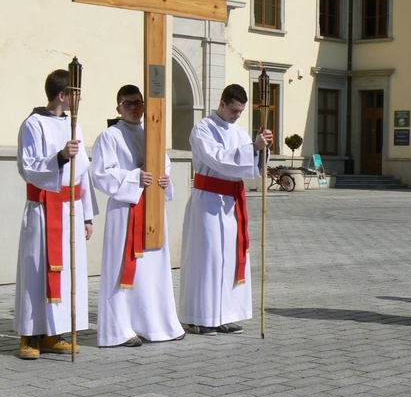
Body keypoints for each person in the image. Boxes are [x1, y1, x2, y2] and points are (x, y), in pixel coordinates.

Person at [91, 84, 185, 347]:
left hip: (152, 209)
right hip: (125, 211)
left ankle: (156, 324)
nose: (134, 108)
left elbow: (162, 167)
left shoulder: (151, 133)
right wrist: (134, 177)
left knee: (153, 268)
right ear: (118, 107)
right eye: (128, 104)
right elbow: (100, 174)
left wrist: (165, 183)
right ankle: (118, 330)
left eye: (138, 103)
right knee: (122, 267)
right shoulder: (110, 136)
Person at [15, 69, 98, 360]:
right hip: (42, 208)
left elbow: (83, 173)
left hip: (70, 210)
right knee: (37, 269)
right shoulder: (33, 124)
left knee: (67, 274)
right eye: (76, 93)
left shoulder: (75, 125)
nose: (80, 99)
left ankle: (54, 332)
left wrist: (87, 214)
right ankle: (29, 334)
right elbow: (28, 167)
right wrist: (60, 157)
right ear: (63, 95)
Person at [179, 84, 273, 335]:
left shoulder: (240, 132)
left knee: (229, 257)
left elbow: (252, 166)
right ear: (222, 103)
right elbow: (217, 159)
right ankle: (199, 316)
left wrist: (263, 150)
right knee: (208, 258)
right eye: (233, 110)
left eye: (241, 112)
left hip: (231, 203)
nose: (236, 116)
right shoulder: (202, 129)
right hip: (208, 201)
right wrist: (253, 148)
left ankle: (225, 314)